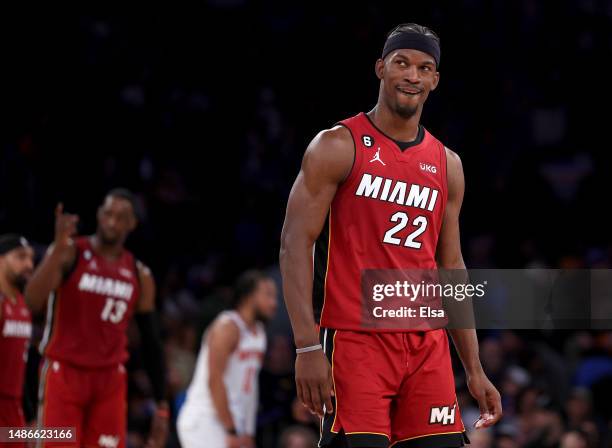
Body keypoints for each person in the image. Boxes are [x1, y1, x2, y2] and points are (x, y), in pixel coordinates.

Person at [280, 23, 502, 448]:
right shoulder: (337, 145)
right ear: (381, 68)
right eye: (401, 63)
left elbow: (451, 267)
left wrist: (473, 368)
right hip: (354, 341)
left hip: (427, 346)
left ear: (435, 80)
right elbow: (295, 245)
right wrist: (307, 347)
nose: (412, 75)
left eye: (424, 67)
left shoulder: (447, 164)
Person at [25, 189, 168, 447]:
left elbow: (151, 342)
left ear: (132, 223)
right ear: (99, 215)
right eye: (108, 213)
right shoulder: (70, 253)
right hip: (65, 373)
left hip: (109, 381)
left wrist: (161, 403)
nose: (112, 221)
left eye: (121, 216)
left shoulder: (139, 274)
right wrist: (56, 250)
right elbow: (31, 303)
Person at [177, 270, 277, 448]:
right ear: (249, 296)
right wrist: (231, 430)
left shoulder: (259, 333)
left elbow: (250, 387)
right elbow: (215, 380)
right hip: (205, 418)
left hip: (233, 421)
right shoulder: (227, 327)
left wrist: (247, 431)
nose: (274, 303)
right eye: (268, 295)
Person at [0, 234, 34, 439]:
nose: (29, 264)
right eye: (21, 257)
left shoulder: (22, 304)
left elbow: (19, 367)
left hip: (14, 405)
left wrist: (29, 415)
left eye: (31, 258)